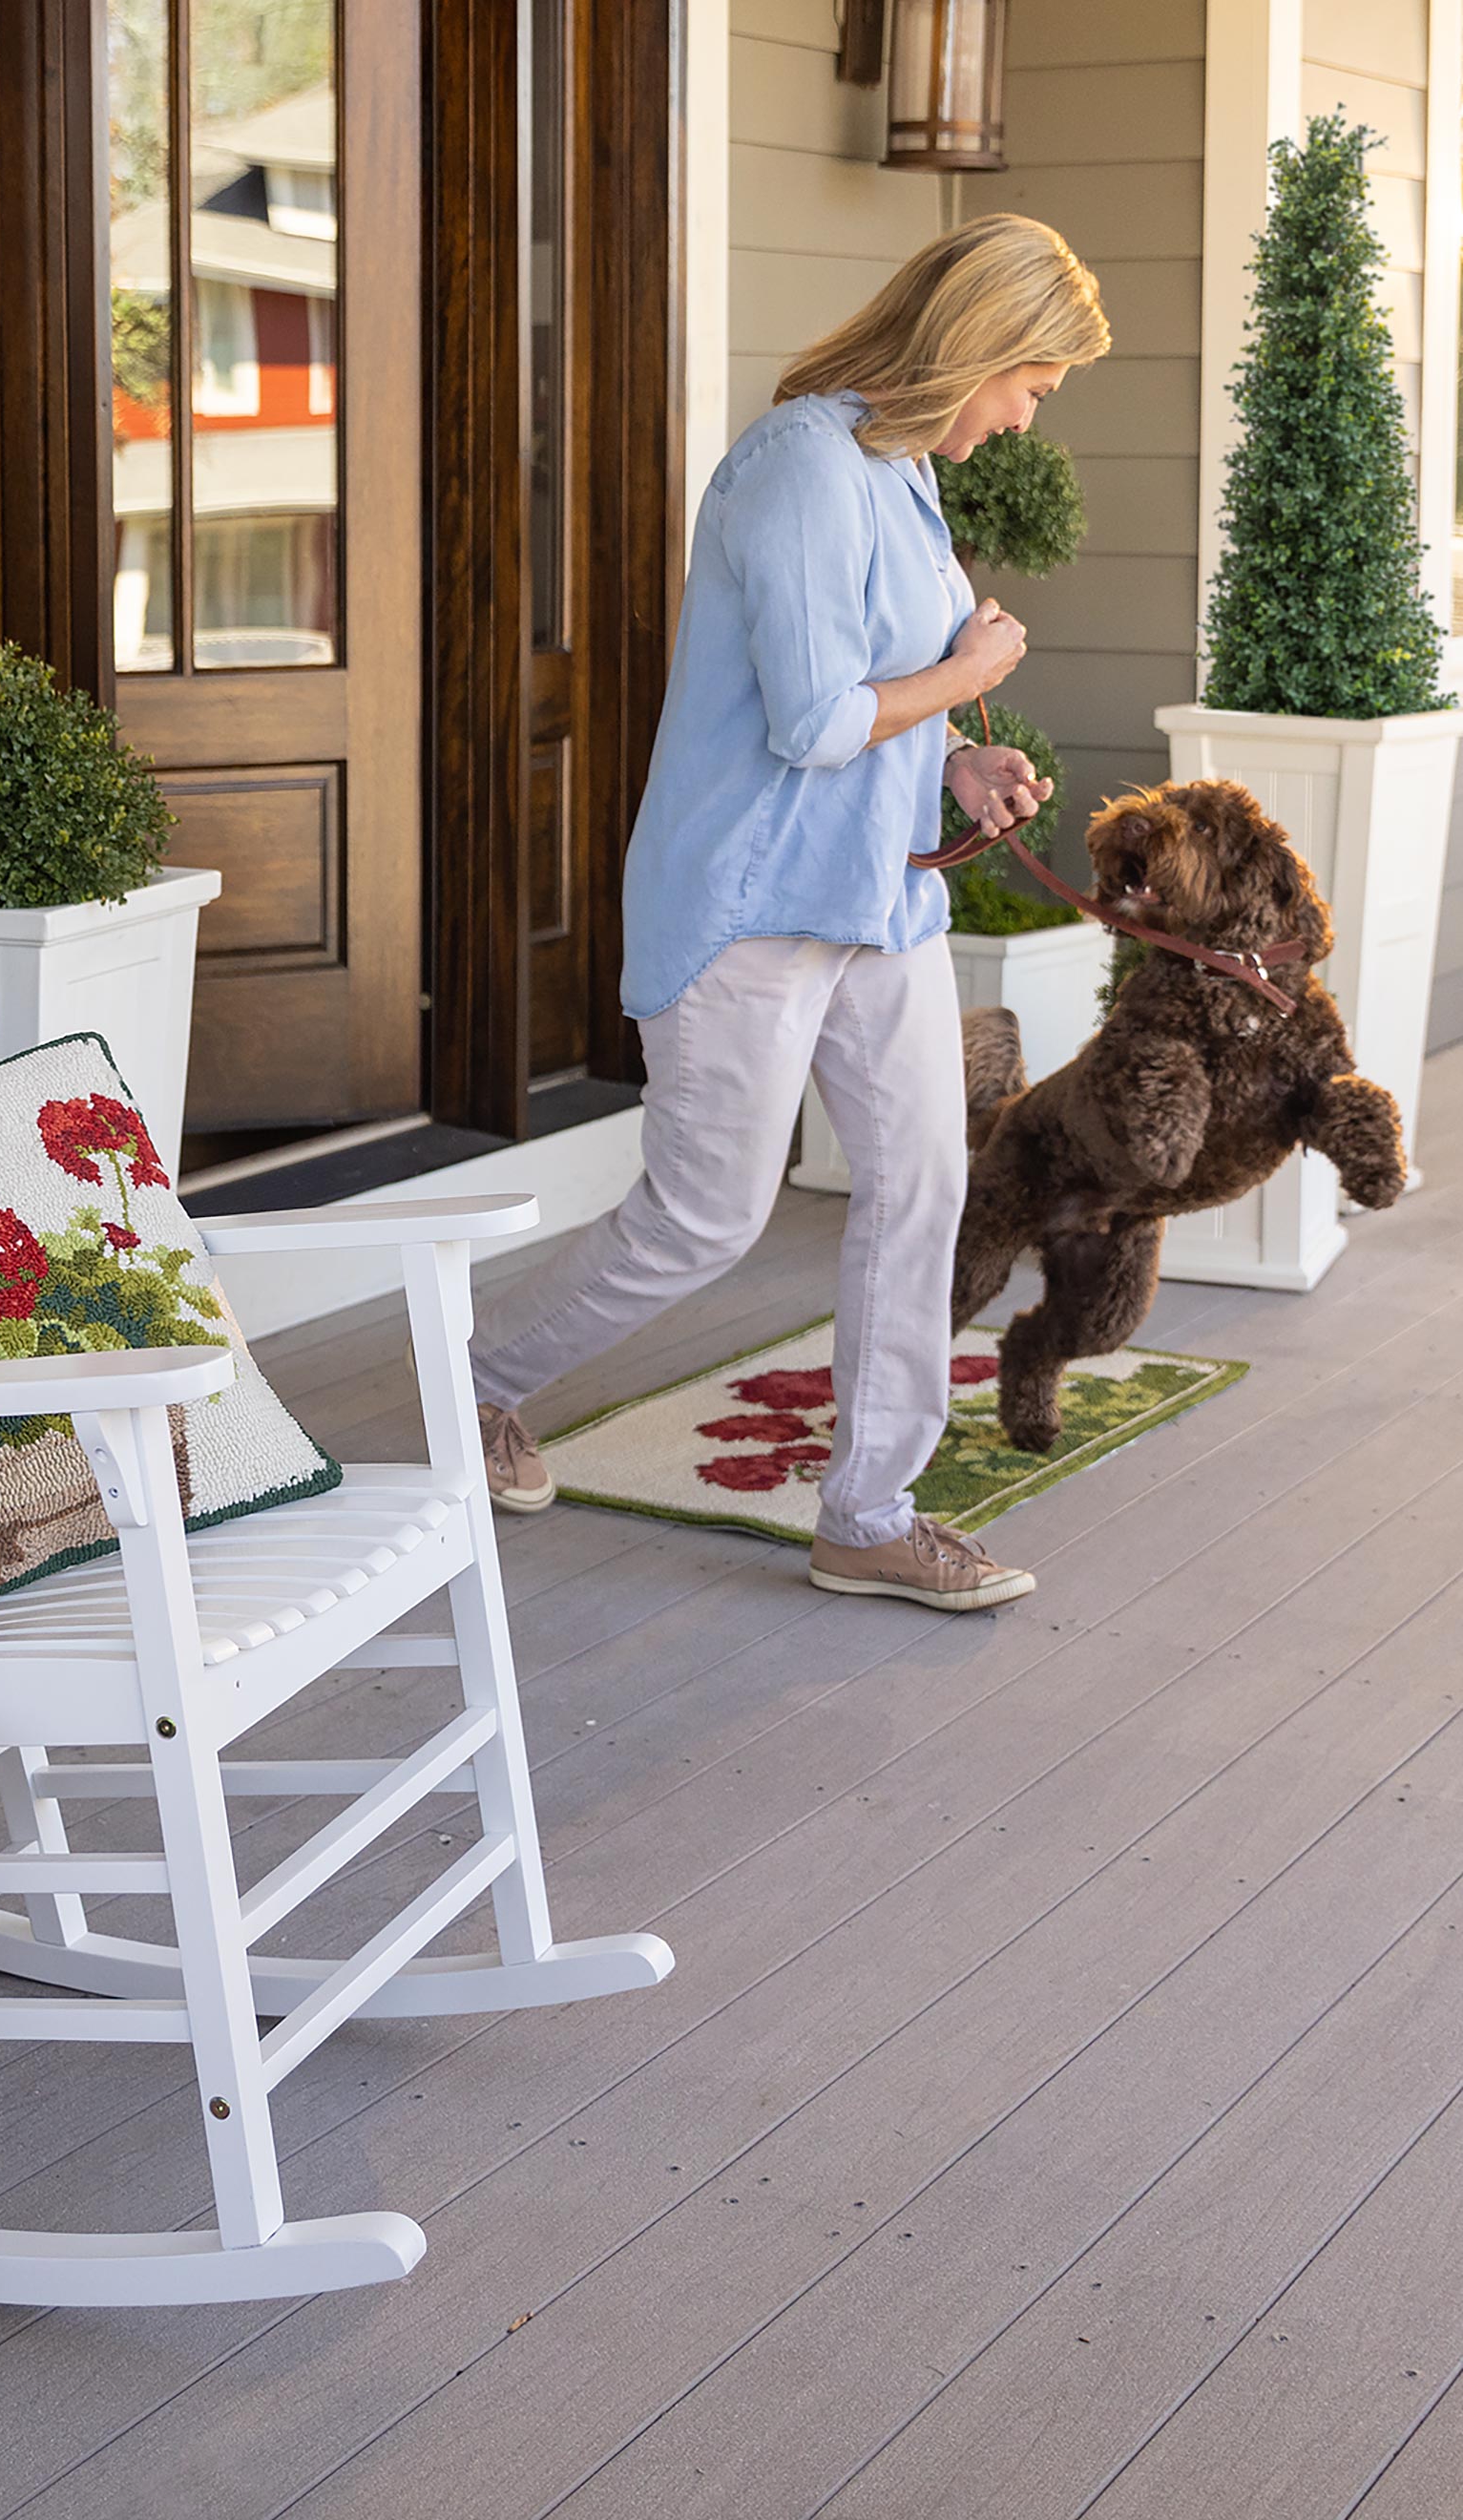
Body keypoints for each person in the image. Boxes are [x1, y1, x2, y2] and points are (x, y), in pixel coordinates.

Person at [470, 215, 1110, 1613]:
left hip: (875, 902)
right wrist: (980, 667)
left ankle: (870, 1511)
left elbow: (876, 710)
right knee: (705, 1218)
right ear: (981, 348)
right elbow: (819, 722)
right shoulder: (799, 469)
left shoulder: (904, 479)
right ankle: (474, 1381)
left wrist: (962, 756)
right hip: (751, 906)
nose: (1019, 421)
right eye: (1031, 387)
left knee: (925, 1184)